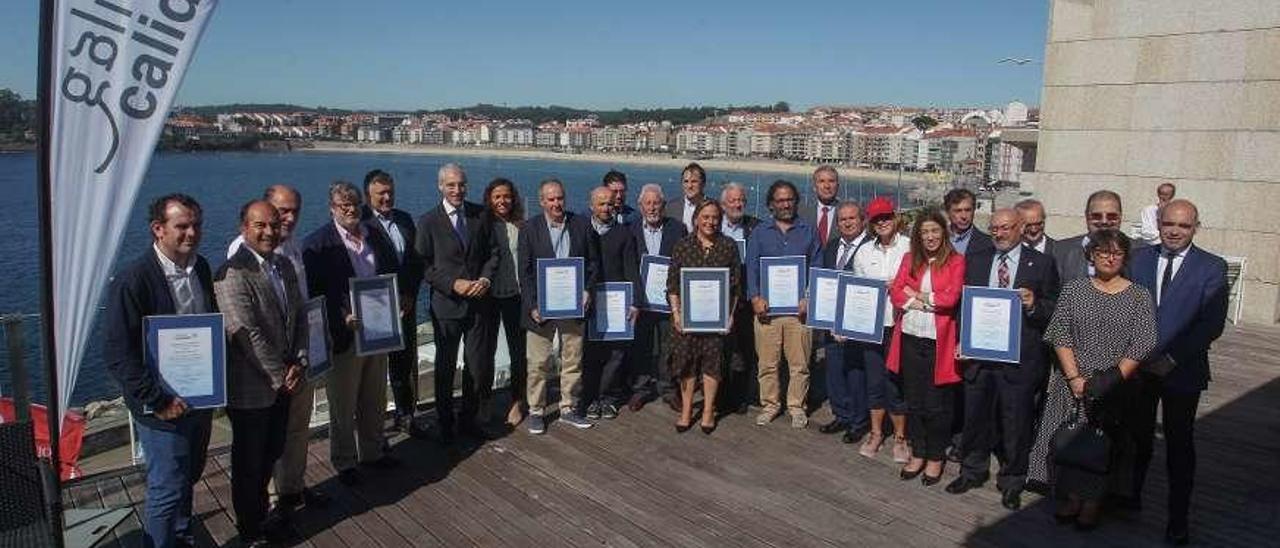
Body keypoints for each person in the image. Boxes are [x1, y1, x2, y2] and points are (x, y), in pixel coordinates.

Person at [104, 194, 215, 548]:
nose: (192, 233)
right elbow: (118, 354)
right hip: (161, 407)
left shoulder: (201, 267)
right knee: (166, 487)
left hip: (199, 397)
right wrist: (158, 400)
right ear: (158, 229)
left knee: (189, 476)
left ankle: (181, 537)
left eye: (196, 224)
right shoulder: (133, 280)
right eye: (182, 226)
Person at [1028, 229, 1158, 531]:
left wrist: (1110, 381)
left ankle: (1094, 501)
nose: (1109, 257)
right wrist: (1074, 378)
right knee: (1070, 440)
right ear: (1091, 255)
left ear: (1124, 257)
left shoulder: (1139, 295)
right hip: (1072, 382)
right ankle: (1073, 497)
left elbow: (1144, 341)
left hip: (1114, 386)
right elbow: (1060, 333)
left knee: (1104, 446)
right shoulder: (1074, 289)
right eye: (1102, 251)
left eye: (1116, 252)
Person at [1128, 199, 1228, 545]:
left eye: (1183, 226)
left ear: (1195, 227)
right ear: (1159, 222)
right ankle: (1131, 497)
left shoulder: (1212, 267)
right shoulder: (1138, 259)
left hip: (1182, 372)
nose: (1174, 231)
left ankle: (1178, 518)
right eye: (1168, 223)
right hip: (1138, 370)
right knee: (1138, 438)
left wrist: (1170, 359)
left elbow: (1210, 324)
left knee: (1179, 445)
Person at [946, 209, 1060, 511]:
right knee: (975, 418)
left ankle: (1012, 481)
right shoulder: (978, 259)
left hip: (1019, 360)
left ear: (1021, 228)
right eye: (994, 228)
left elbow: (1053, 309)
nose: (998, 233)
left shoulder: (1043, 263)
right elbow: (963, 304)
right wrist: (961, 339)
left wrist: (1034, 304)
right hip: (979, 356)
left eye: (1006, 228)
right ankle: (971, 471)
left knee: (1016, 424)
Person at [226, 185, 329, 511]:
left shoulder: (293, 248)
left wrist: (301, 358)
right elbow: (246, 325)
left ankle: (292, 487)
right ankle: (269, 497)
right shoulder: (239, 255)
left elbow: (299, 309)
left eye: (294, 211)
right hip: (263, 371)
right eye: (282, 211)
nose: (288, 218)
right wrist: (279, 372)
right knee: (262, 444)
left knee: (297, 429)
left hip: (297, 359)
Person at [215, 201, 308, 546]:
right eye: (260, 226)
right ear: (244, 228)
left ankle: (263, 518)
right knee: (249, 464)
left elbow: (298, 316)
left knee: (271, 453)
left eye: (273, 224)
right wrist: (279, 375)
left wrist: (298, 360)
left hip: (285, 381)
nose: (269, 231)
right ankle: (249, 530)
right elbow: (243, 331)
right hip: (252, 389)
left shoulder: (283, 265)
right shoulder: (231, 273)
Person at [303, 182, 401, 486]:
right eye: (343, 205)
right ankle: (345, 461)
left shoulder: (374, 234)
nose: (350, 209)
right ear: (332, 208)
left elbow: (390, 272)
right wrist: (340, 316)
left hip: (378, 329)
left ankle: (373, 451)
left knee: (374, 397)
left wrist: (395, 302)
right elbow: (315, 294)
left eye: (354, 204)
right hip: (344, 334)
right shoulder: (317, 244)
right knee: (342, 404)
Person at [415, 163, 499, 442]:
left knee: (475, 366)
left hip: (478, 304)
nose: (457, 190)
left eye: (461, 184)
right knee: (445, 367)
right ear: (440, 186)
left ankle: (468, 419)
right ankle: (445, 422)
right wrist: (453, 284)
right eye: (451, 185)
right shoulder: (428, 221)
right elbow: (423, 266)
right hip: (447, 306)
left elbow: (493, 254)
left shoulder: (480, 215)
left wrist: (485, 280)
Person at [887, 208, 965, 486]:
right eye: (924, 232)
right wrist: (919, 301)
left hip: (938, 343)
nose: (930, 236)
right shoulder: (910, 258)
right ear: (918, 236)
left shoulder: (956, 261)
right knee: (914, 401)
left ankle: (935, 456)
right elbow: (896, 291)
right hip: (910, 337)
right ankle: (918, 452)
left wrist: (917, 294)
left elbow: (951, 297)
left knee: (937, 405)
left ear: (943, 233)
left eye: (935, 231)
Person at [519, 178, 602, 434]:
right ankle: (535, 411)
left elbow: (593, 263)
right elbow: (525, 271)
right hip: (540, 309)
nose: (557, 203)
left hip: (574, 305)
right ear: (542, 202)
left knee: (572, 360)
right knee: (538, 362)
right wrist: (532, 305)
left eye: (560, 198)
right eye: (551, 199)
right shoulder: (530, 228)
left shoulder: (580, 224)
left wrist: (588, 290)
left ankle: (568, 408)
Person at [746, 180, 821, 428]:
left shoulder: (809, 231)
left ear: (796, 201)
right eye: (780, 200)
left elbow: (817, 268)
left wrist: (809, 296)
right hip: (766, 311)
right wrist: (755, 297)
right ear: (771, 204)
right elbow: (752, 268)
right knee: (767, 363)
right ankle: (770, 404)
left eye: (789, 199)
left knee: (800, 364)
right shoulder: (759, 232)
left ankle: (797, 406)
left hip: (799, 312)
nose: (785, 204)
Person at [667, 199, 741, 433]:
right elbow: (672, 285)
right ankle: (687, 409)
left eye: (715, 218)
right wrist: (676, 314)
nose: (710, 222)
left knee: (712, 364)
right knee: (686, 364)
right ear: (696, 218)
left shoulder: (728, 246)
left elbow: (736, 286)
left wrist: (729, 316)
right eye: (706, 217)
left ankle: (708, 410)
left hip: (715, 320)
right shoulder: (682, 245)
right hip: (687, 319)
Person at [362, 169, 425, 437]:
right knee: (374, 371)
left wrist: (410, 294)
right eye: (381, 194)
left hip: (405, 304)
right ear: (368, 196)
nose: (387, 198)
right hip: (375, 306)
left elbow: (415, 261)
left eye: (390, 192)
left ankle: (406, 415)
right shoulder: (360, 223)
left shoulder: (404, 219)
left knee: (404, 362)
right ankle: (373, 428)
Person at [851, 197, 911, 463]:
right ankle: (876, 433)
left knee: (896, 383)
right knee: (874, 382)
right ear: (871, 224)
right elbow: (856, 293)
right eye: (876, 219)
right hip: (872, 327)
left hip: (902, 326)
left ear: (895, 217)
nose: (882, 222)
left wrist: (897, 287)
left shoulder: (911, 247)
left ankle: (900, 437)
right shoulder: (863, 252)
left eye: (886, 217)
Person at [579, 187, 640, 421]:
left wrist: (635, 301)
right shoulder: (581, 230)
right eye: (601, 204)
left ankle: (608, 399)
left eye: (609, 204)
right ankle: (590, 398)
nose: (606, 208)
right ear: (591, 205)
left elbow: (631, 269)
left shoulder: (624, 233)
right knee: (590, 353)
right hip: (589, 301)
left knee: (615, 354)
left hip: (616, 301)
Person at [628, 183, 687, 412]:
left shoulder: (677, 228)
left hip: (667, 300)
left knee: (667, 345)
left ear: (663, 205)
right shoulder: (630, 229)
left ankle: (668, 389)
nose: (652, 208)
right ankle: (640, 389)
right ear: (640, 206)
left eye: (656, 203)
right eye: (648, 203)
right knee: (640, 345)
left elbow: (682, 263)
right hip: (640, 300)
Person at [818, 202, 871, 443]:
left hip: (856, 321)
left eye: (852, 218)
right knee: (834, 370)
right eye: (842, 219)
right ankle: (841, 414)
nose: (847, 223)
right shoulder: (831, 246)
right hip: (831, 320)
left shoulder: (871, 247)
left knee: (855, 373)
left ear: (862, 220)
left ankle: (859, 421)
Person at [483, 178, 529, 427]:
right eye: (497, 196)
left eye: (507, 196)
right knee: (486, 352)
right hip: (489, 296)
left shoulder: (522, 225)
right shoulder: (483, 225)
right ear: (489, 198)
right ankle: (485, 401)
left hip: (516, 296)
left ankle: (516, 401)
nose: (502, 201)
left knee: (518, 353)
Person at [718, 182, 760, 414]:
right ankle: (719, 395)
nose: (737, 204)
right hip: (719, 298)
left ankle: (741, 396)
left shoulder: (756, 226)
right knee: (720, 349)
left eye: (741, 199)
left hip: (745, 298)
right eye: (732, 200)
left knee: (745, 349)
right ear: (723, 204)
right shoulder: (713, 226)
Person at [1052, 190, 1139, 282]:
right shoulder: (1061, 251)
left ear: (1120, 217)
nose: (1104, 221)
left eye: (1111, 216)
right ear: (1086, 216)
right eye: (1096, 216)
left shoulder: (1138, 250)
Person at [943, 188, 993, 255]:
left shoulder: (989, 244)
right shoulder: (937, 240)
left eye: (968, 210)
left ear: (974, 210)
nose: (964, 216)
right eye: (958, 211)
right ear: (947, 212)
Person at [801, 165, 842, 246]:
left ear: (837, 186)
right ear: (814, 187)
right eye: (822, 181)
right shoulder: (802, 214)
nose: (827, 186)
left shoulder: (847, 214)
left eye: (831, 181)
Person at [665, 162, 708, 232]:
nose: (689, 186)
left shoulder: (715, 208)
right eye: (686, 181)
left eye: (694, 181)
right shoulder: (670, 207)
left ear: (703, 183)